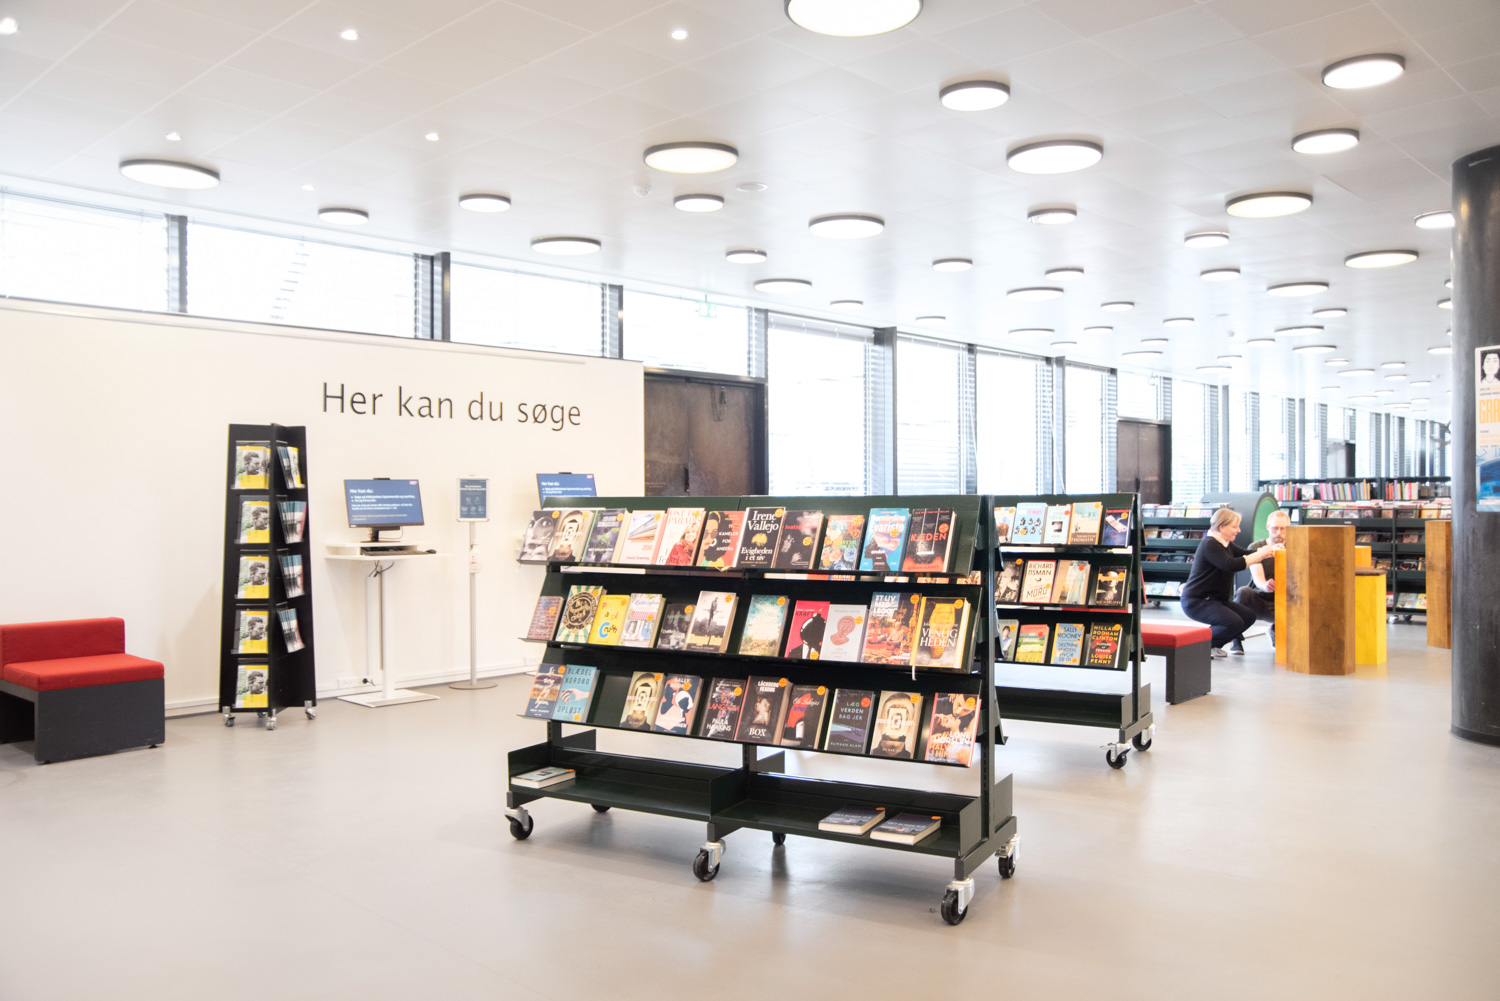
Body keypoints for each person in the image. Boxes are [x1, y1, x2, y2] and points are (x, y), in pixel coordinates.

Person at [1180, 507, 1280, 658]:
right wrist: (1260, 554)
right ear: (1221, 527)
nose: (1238, 530)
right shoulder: (1210, 544)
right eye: (1235, 527)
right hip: (1198, 601)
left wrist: (1270, 550)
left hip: (1216, 600)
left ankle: (1213, 645)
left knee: (1248, 617)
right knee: (1233, 623)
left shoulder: (1226, 544)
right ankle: (1196, 646)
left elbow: (1247, 554)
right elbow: (1230, 564)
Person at [1230, 509, 1290, 654]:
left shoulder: (1295, 547)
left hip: (1284, 600)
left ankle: (1276, 630)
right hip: (1260, 598)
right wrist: (1265, 585)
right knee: (1243, 592)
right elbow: (1258, 578)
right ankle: (1235, 639)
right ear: (1268, 527)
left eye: (1283, 529)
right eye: (1275, 528)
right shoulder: (1256, 547)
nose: (1278, 533)